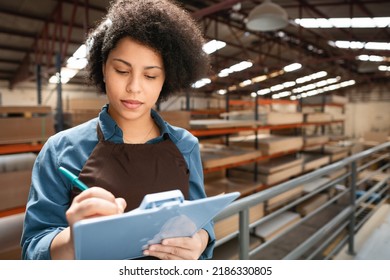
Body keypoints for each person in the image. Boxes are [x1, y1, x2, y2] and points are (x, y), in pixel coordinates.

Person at [21, 0, 215, 260]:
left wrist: (200, 240)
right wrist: (72, 239)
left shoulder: (185, 144)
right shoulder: (59, 150)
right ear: (103, 68)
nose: (134, 87)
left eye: (150, 75)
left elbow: (201, 219)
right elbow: (33, 249)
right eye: (122, 70)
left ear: (166, 78)